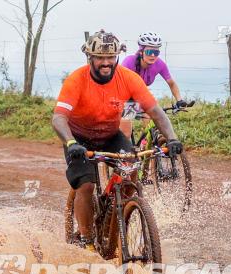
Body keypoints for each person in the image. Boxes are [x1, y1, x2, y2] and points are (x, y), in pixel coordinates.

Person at [52, 30, 183, 251]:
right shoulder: (76, 79)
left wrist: (171, 139)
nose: (106, 63)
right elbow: (58, 118)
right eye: (100, 58)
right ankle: (87, 239)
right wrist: (70, 143)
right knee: (86, 185)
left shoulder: (129, 78)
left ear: (117, 57)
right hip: (79, 139)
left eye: (110, 57)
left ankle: (116, 209)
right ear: (90, 58)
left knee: (131, 168)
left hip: (110, 135)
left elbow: (156, 112)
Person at [119, 31, 187, 139]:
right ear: (141, 51)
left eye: (156, 53)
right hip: (126, 95)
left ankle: (147, 144)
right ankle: (127, 152)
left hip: (142, 94)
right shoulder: (129, 62)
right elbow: (120, 85)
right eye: (149, 51)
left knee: (152, 119)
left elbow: (171, 83)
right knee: (126, 132)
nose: (152, 55)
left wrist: (179, 100)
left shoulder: (159, 64)